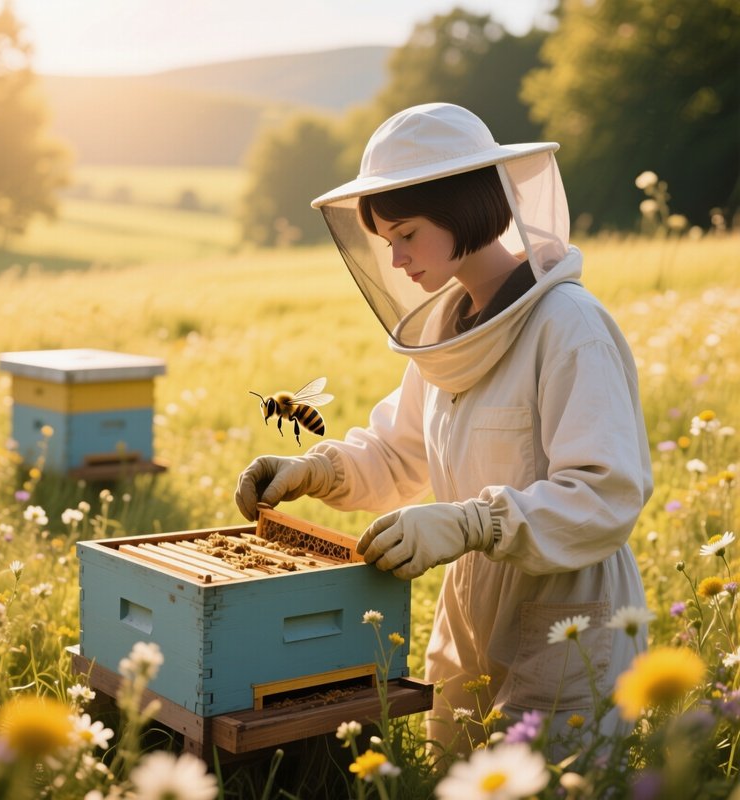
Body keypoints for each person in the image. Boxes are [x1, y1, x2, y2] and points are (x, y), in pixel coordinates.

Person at [235, 103, 652, 756]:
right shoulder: (448, 330)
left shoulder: (569, 327)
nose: (396, 259)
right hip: (469, 610)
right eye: (386, 241)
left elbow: (607, 495)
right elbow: (400, 453)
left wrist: (469, 524)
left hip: (568, 616)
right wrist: (312, 470)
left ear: (463, 211)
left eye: (407, 233)